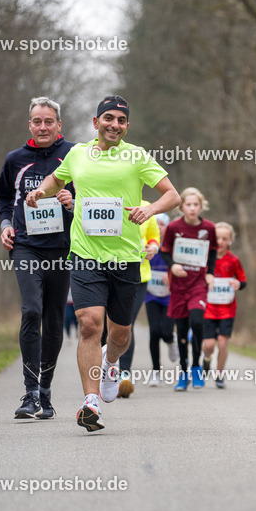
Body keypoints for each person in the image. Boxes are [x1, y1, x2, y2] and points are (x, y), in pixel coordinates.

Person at [26, 95, 180, 432]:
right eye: (107, 118)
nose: (114, 124)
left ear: (127, 126)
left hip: (125, 258)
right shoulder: (77, 153)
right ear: (96, 123)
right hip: (85, 255)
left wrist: (150, 209)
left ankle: (112, 362)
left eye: (121, 120)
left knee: (120, 334)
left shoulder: (137, 156)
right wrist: (41, 190)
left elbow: (173, 195)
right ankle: (91, 401)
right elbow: (58, 179)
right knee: (90, 324)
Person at [0, 96, 75, 420]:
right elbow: (3, 197)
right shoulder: (16, 159)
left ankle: (46, 391)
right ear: (30, 124)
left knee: (54, 319)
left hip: (62, 247)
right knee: (31, 310)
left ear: (59, 125)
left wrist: (74, 199)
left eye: (49, 121)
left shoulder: (73, 155)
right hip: (26, 246)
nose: (43, 127)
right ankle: (29, 393)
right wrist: (4, 225)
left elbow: (95, 194)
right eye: (37, 121)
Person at [161, 187, 217, 391]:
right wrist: (172, 265)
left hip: (198, 285)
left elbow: (212, 253)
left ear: (201, 206)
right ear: (181, 207)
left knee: (197, 321)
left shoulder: (209, 228)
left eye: (196, 205)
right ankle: (184, 372)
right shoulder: (174, 227)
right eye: (188, 204)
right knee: (182, 331)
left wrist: (210, 273)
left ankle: (196, 366)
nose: (192, 208)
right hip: (179, 286)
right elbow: (165, 251)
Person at [116, 199, 161, 398]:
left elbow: (153, 237)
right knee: (105, 325)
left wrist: (153, 248)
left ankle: (124, 375)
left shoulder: (147, 206)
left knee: (127, 324)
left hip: (139, 276)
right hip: (108, 272)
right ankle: (104, 372)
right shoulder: (107, 201)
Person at [201, 222, 247, 389]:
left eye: (224, 239)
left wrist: (237, 283)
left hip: (227, 309)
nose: (220, 242)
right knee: (208, 345)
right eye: (217, 238)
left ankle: (219, 375)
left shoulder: (233, 260)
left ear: (230, 241)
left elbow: (243, 281)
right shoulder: (205, 258)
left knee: (222, 343)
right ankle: (206, 359)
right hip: (208, 309)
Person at [145, 213, 176, 386]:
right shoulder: (147, 244)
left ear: (168, 227)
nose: (159, 227)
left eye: (162, 224)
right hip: (151, 294)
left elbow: (181, 266)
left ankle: (171, 341)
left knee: (166, 332)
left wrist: (170, 276)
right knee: (154, 331)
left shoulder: (172, 246)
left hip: (170, 295)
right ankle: (156, 372)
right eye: (155, 224)